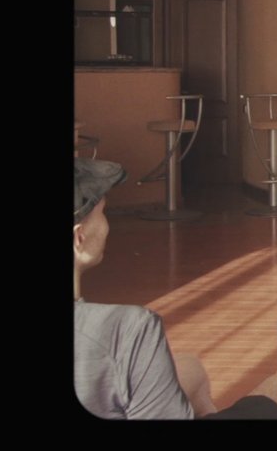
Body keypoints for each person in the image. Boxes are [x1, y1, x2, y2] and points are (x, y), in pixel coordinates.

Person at [74, 157, 199, 419]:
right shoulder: (129, 329)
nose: (106, 224)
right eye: (103, 213)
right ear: (79, 238)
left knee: (191, 369)